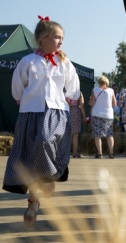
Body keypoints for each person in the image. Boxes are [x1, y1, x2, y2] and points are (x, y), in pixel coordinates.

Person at [2, 15, 80, 227]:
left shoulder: (64, 62)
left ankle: (47, 181)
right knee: (32, 156)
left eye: (62, 37)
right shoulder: (28, 62)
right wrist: (26, 101)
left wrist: (67, 100)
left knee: (44, 142)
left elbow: (73, 88)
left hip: (56, 112)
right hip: (31, 113)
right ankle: (34, 203)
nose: (61, 41)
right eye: (57, 37)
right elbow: (17, 88)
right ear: (43, 38)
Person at [89, 76, 117, 159]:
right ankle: (111, 153)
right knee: (109, 134)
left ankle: (100, 153)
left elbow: (91, 103)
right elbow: (114, 104)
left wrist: (92, 101)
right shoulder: (111, 91)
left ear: (99, 82)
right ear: (107, 83)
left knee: (97, 135)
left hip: (97, 113)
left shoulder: (95, 90)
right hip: (108, 115)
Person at [69, 92, 86, 158]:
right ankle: (75, 152)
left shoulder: (66, 91)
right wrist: (84, 117)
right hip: (76, 113)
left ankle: (64, 152)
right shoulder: (79, 93)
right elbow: (82, 106)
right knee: (75, 134)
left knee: (66, 133)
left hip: (65, 112)